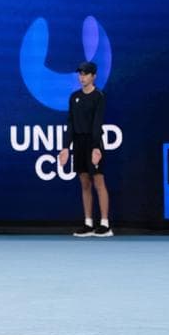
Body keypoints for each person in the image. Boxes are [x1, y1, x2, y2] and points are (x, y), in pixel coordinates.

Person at [57, 61, 111, 237]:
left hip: (93, 143)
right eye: (80, 74)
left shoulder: (99, 97)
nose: (82, 77)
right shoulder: (74, 97)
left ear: (94, 76)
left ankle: (104, 224)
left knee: (99, 182)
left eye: (86, 74)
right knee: (84, 183)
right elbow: (71, 123)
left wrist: (96, 148)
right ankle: (88, 223)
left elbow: (97, 123)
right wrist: (66, 147)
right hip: (78, 143)